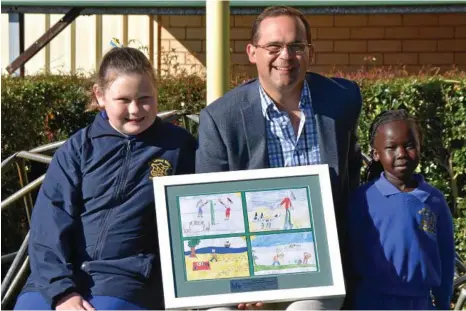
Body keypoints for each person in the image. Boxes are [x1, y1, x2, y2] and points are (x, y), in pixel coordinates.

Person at [196, 6, 362, 310]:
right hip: (246, 270)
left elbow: (352, 182)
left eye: (296, 46)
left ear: (310, 53)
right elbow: (214, 217)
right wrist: (244, 281)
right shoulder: (221, 119)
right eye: (273, 46)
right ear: (252, 52)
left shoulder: (343, 101)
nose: (285, 56)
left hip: (319, 269)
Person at [14, 47, 196, 310]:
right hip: (57, 279)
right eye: (123, 99)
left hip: (127, 279)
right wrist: (62, 292)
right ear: (101, 96)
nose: (135, 109)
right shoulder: (78, 148)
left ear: (157, 92)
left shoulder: (179, 147)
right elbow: (48, 224)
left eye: (145, 97)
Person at [346, 109, 455, 310]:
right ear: (376, 154)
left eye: (409, 145)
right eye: (391, 147)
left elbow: (446, 257)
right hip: (371, 303)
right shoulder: (362, 200)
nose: (402, 153)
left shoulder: (434, 200)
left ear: (420, 147)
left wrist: (442, 303)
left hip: (420, 304)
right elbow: (348, 255)